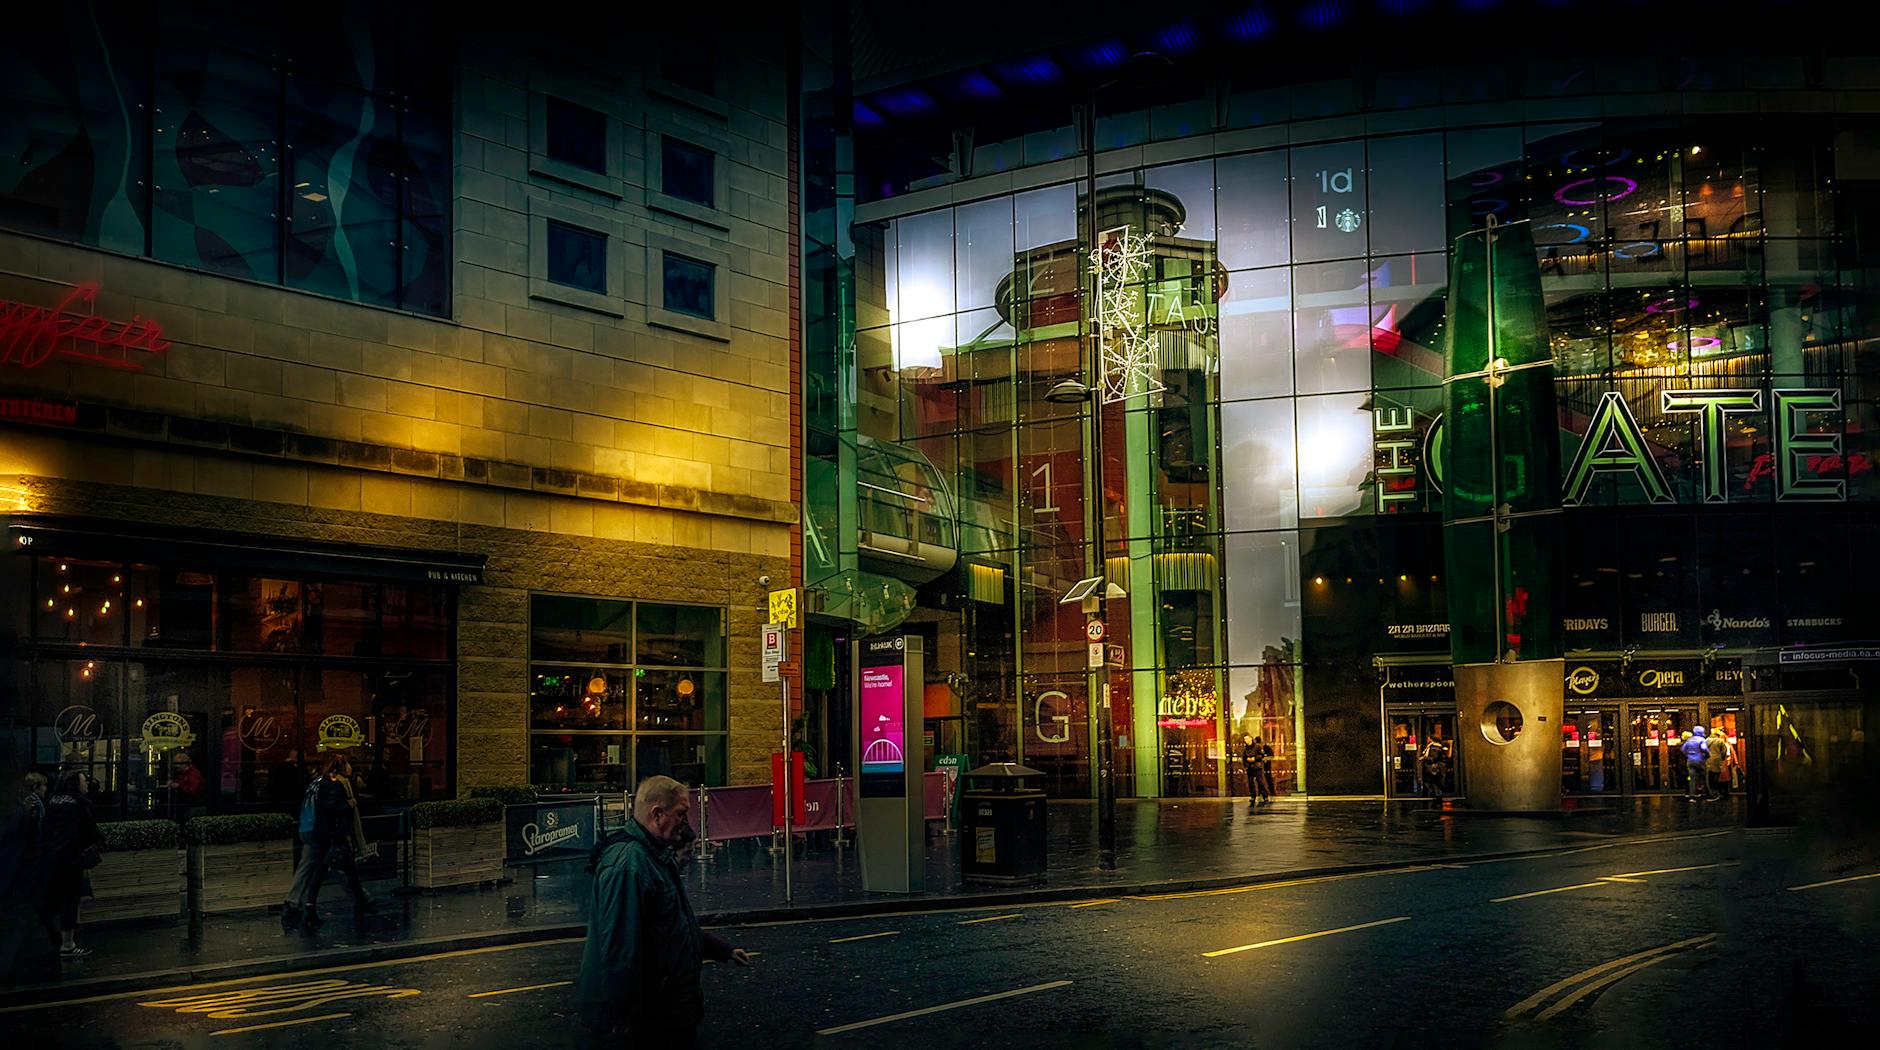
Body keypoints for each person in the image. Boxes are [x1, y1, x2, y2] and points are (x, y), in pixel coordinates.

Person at [577, 775, 749, 1048]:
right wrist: (625, 1023)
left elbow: (672, 924)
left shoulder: (653, 857)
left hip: (666, 1013)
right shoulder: (628, 865)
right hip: (649, 1021)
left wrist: (721, 949)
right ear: (657, 814)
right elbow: (621, 950)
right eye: (681, 813)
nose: (685, 822)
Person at [38, 770, 102, 959]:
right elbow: (89, 833)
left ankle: (50, 930)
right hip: (71, 859)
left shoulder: (52, 801)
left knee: (56, 897)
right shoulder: (78, 805)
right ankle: (68, 944)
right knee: (71, 899)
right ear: (75, 784)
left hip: (50, 858)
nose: (87, 785)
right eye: (84, 781)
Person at [301, 756, 370, 924]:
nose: (350, 767)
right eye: (347, 764)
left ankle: (359, 900)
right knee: (340, 869)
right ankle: (360, 900)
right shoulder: (336, 783)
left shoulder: (325, 781)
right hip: (333, 834)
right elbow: (330, 807)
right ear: (341, 766)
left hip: (325, 832)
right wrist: (349, 804)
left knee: (331, 869)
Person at [1241, 735, 1274, 806]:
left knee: (1260, 782)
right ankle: (1253, 796)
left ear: (1251, 739)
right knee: (1250, 783)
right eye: (1245, 739)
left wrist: (1255, 758)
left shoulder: (1257, 746)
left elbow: (1262, 755)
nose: (1246, 740)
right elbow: (1243, 758)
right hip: (1249, 768)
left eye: (1247, 739)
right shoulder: (1245, 748)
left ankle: (1265, 796)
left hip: (1257, 767)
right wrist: (1246, 766)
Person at [1419, 735, 1450, 807]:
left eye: (1428, 738)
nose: (1427, 739)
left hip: (1435, 769)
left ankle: (1437, 800)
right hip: (1436, 769)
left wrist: (1424, 758)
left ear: (1432, 739)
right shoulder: (1435, 746)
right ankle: (1437, 799)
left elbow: (1433, 758)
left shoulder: (1434, 747)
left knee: (1435, 784)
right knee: (1434, 784)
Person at [1681, 726, 1711, 800]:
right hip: (1700, 760)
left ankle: (1692, 796)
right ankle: (1707, 794)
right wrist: (1706, 756)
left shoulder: (1689, 740)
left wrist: (1688, 755)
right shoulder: (1702, 740)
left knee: (1692, 779)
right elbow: (1704, 748)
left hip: (1690, 761)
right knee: (1704, 777)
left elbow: (1683, 749)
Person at [1705, 724, 1733, 801]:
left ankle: (1713, 794)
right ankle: (1718, 794)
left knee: (1710, 778)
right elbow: (1724, 751)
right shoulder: (1720, 741)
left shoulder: (1706, 741)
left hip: (1708, 761)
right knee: (1717, 777)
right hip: (1717, 761)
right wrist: (1722, 758)